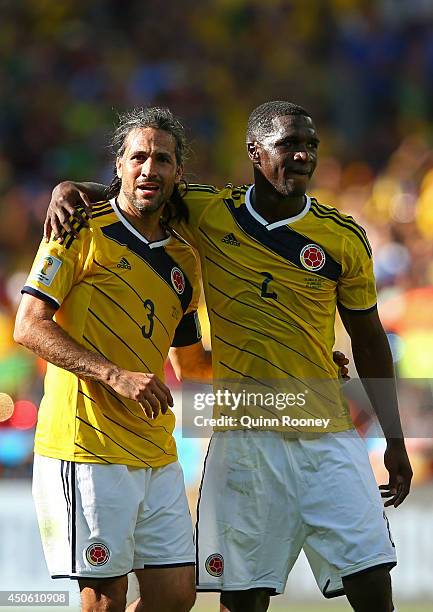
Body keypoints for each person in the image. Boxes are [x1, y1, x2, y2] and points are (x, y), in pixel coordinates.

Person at [44, 101, 412, 612]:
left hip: (326, 433)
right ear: (255, 153)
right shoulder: (210, 211)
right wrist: (70, 190)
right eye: (288, 145)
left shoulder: (344, 237)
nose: (303, 155)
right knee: (240, 599)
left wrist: (394, 438)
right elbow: (139, 189)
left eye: (311, 145)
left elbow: (371, 341)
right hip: (242, 437)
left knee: (374, 586)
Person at [14, 107, 213, 612]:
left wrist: (301, 365)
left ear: (178, 173)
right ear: (118, 166)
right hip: (87, 446)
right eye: (138, 157)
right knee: (105, 599)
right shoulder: (78, 227)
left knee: (175, 597)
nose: (150, 168)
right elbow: (28, 325)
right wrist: (114, 375)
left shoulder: (184, 262)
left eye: (162, 159)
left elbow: (194, 367)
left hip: (154, 450)